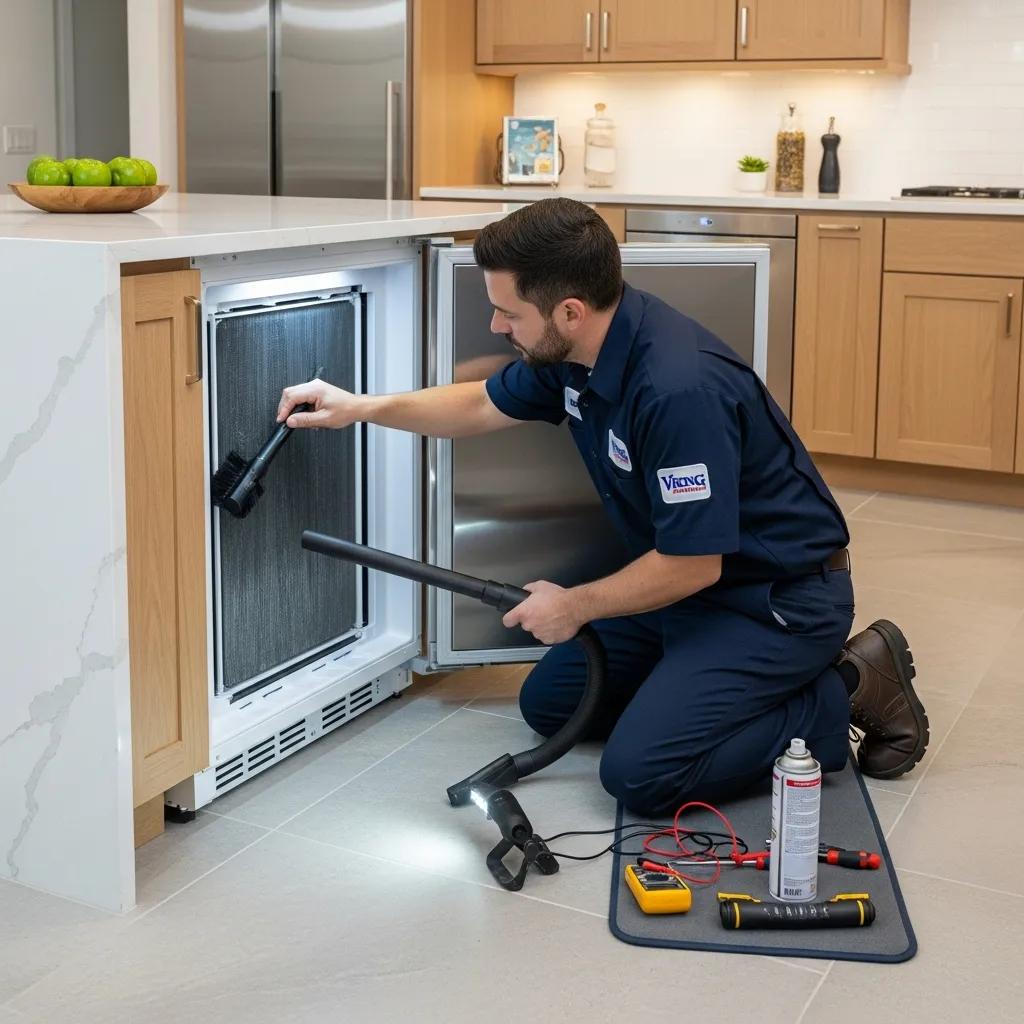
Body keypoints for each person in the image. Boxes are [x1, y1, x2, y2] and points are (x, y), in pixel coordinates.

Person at [276, 198, 929, 817]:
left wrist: (575, 604)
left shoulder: (677, 391)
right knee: (555, 704)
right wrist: (360, 407)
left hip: (773, 601)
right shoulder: (578, 354)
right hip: (692, 589)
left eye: (509, 313)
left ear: (568, 311)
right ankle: (700, 694)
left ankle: (846, 683)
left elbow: (692, 565)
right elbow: (480, 402)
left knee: (641, 775)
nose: (498, 327)